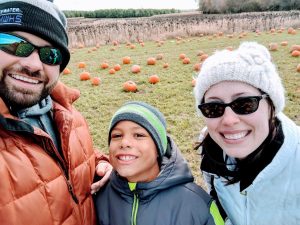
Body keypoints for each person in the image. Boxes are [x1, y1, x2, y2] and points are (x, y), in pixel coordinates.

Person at [0, 0, 111, 224]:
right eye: (14, 44)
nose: (32, 65)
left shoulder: (67, 113)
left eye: (51, 55)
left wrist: (98, 162)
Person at [194, 41, 300, 225]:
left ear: (271, 106)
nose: (228, 120)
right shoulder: (211, 151)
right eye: (213, 107)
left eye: (244, 104)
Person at [94, 101, 224, 225]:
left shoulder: (197, 204)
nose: (124, 143)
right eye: (117, 135)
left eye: (139, 135)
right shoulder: (98, 194)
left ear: (159, 148)